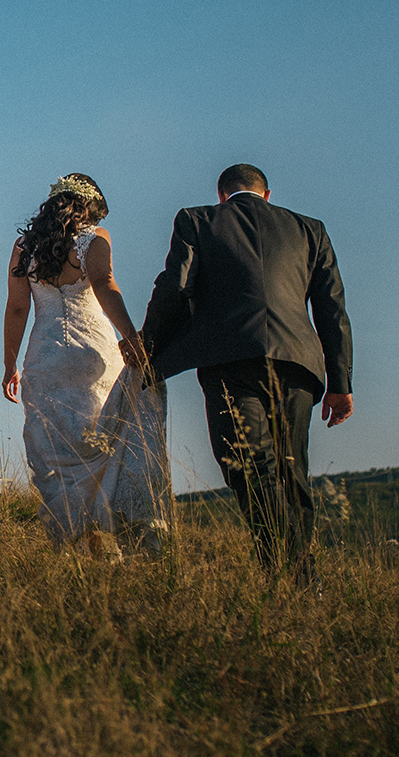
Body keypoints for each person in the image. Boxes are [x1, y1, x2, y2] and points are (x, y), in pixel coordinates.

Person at [140, 163, 354, 582]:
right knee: (291, 472)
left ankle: (287, 573)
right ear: (267, 194)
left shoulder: (196, 220)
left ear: (222, 195)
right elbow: (332, 308)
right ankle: (298, 577)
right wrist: (340, 383)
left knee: (248, 465)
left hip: (228, 359)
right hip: (298, 363)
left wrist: (150, 349)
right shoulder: (310, 229)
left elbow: (174, 287)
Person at [3, 174, 171, 557]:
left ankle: (76, 541)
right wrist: (130, 336)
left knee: (58, 448)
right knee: (107, 438)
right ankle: (111, 532)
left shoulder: (24, 247)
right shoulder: (94, 239)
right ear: (89, 206)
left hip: (45, 357)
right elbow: (104, 283)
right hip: (93, 351)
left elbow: (17, 308)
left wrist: (9, 362)